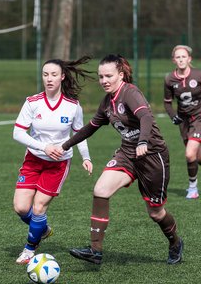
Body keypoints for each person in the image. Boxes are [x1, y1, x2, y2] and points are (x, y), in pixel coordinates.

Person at [55, 54, 183, 266]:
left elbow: (146, 118)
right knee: (100, 190)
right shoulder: (107, 102)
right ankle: (95, 250)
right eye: (101, 76)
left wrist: (143, 142)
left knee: (156, 212)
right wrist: (65, 145)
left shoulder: (130, 93)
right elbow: (91, 127)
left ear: (121, 75)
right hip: (127, 154)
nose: (104, 80)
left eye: (108, 76)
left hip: (152, 156)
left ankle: (175, 242)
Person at [13, 56, 93, 264]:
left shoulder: (73, 106)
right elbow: (18, 133)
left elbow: (79, 134)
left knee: (39, 207)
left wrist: (86, 157)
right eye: (45, 74)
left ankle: (30, 249)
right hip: (33, 159)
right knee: (21, 208)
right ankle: (43, 228)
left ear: (62, 77)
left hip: (58, 164)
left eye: (54, 75)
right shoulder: (32, 102)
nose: (49, 79)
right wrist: (44, 147)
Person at [164, 45, 201, 199]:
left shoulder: (198, 75)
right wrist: (173, 116)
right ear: (174, 60)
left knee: (189, 154)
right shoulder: (169, 79)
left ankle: (192, 188)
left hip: (199, 118)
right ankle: (193, 186)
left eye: (183, 57)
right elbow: (167, 102)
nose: (181, 59)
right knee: (197, 158)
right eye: (178, 57)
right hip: (183, 122)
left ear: (189, 59)